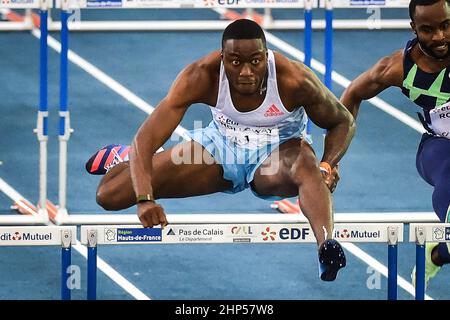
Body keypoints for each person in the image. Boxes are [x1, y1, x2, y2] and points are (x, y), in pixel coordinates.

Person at [86, 19, 355, 281]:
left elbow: (342, 121)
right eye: (236, 62)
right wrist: (145, 198)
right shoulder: (201, 76)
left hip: (278, 153)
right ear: (222, 57)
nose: (246, 72)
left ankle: (326, 247)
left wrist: (328, 164)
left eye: (255, 61)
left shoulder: (294, 80)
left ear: (266, 56)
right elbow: (145, 139)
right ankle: (126, 160)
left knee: (307, 166)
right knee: (109, 196)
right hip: (220, 148)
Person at [340, 0, 450, 288]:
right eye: (428, 29)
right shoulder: (398, 68)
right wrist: (332, 159)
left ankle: (438, 254)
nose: (439, 36)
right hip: (439, 148)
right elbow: (351, 95)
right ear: (414, 28)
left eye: (446, 26)